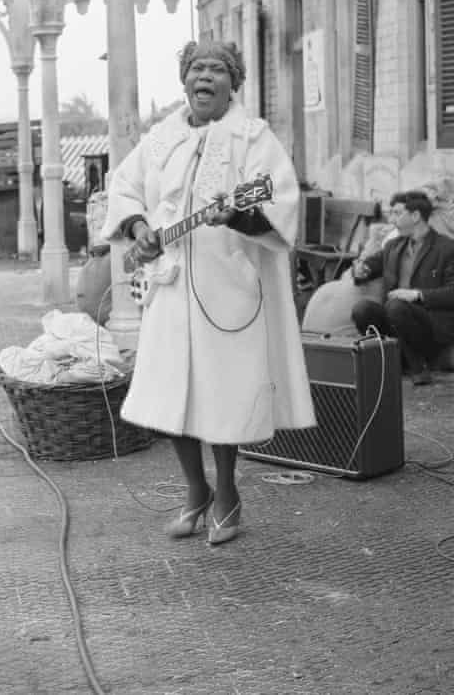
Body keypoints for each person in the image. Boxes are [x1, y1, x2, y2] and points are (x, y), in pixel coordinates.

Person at [102, 39, 315, 546]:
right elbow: (124, 186)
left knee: (224, 393)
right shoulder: (161, 138)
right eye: (197, 68)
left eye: (217, 70)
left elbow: (281, 197)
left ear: (233, 83)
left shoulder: (253, 137)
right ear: (184, 80)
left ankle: (228, 497)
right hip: (171, 286)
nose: (205, 77)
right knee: (170, 392)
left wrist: (239, 212)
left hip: (229, 286)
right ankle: (195, 491)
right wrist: (138, 228)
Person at [350, 189, 454, 385]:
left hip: (429, 327)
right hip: (395, 320)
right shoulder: (393, 246)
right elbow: (372, 266)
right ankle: (385, 362)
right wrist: (361, 270)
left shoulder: (450, 249)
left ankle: (418, 367)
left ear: (415, 216)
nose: (392, 220)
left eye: (397, 213)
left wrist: (416, 295)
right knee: (362, 309)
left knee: (396, 306)